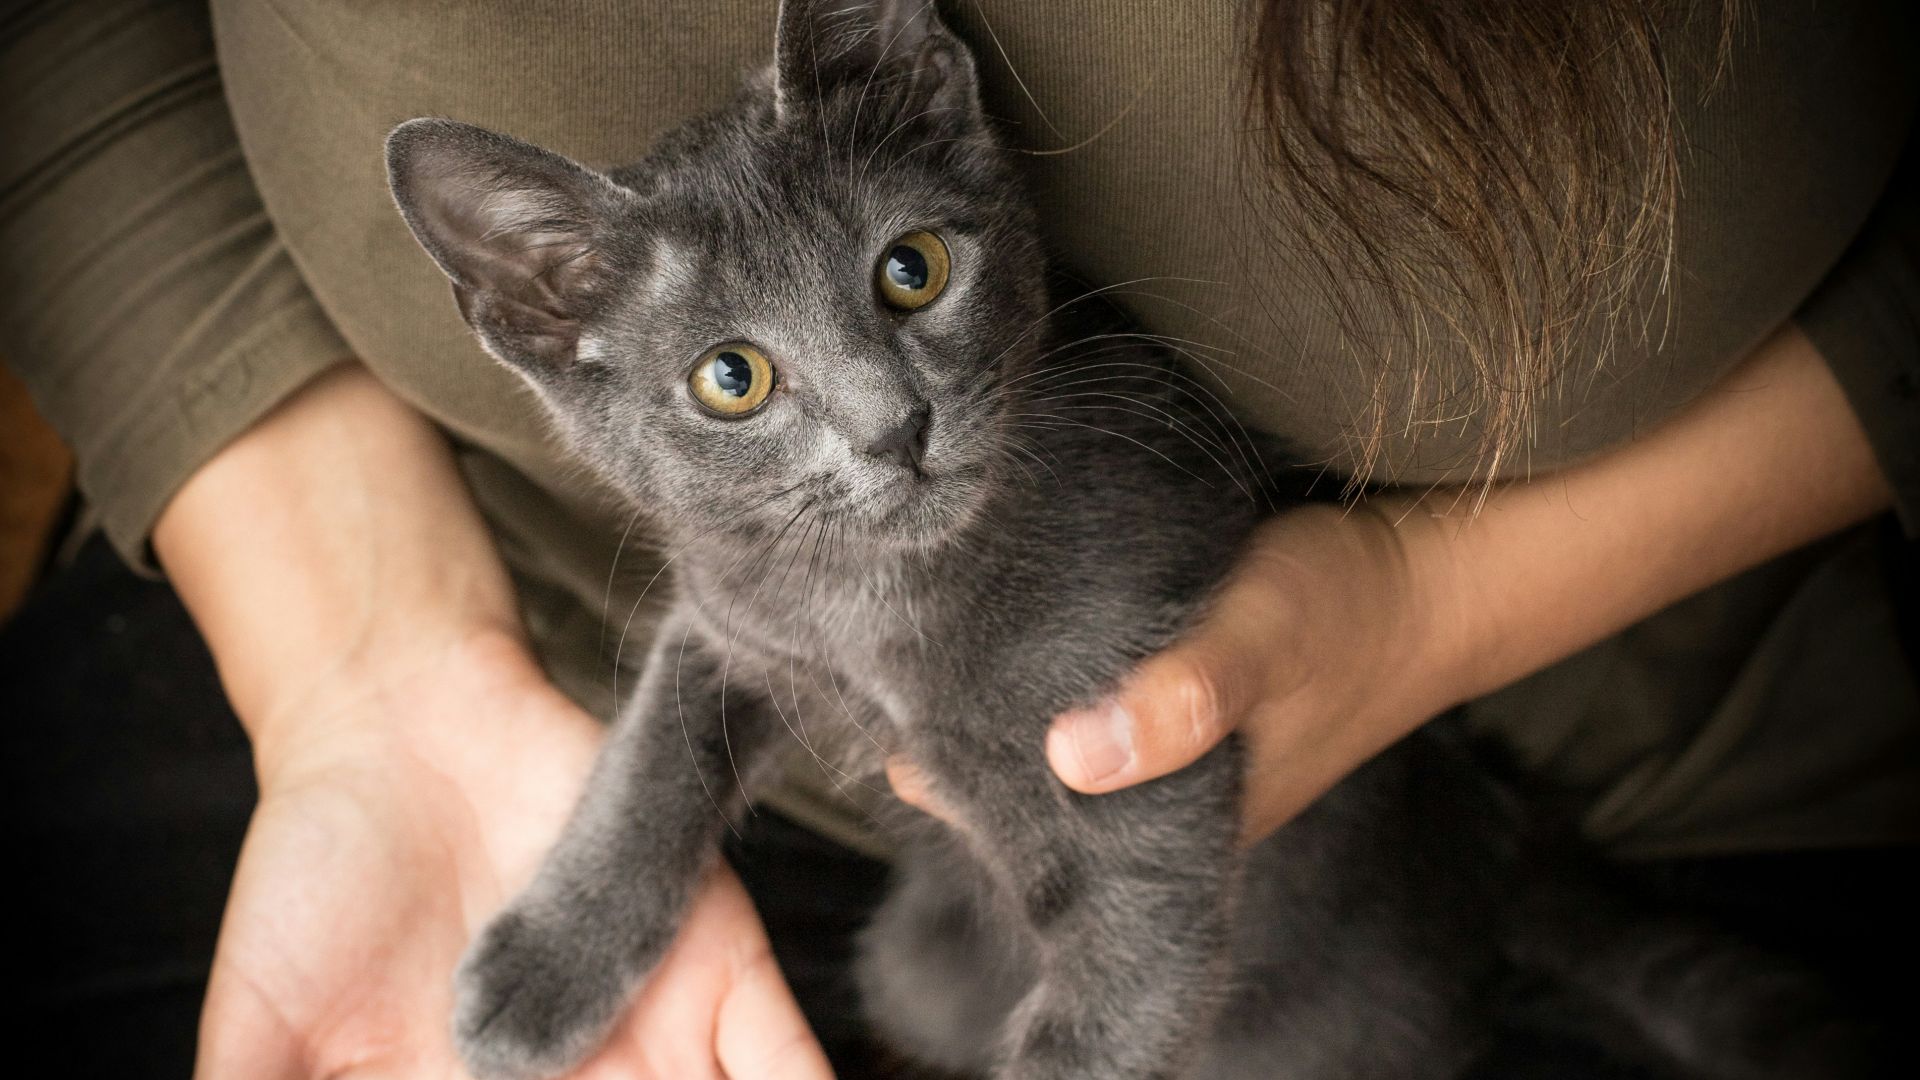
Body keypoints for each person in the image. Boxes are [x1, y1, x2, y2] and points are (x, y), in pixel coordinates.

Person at [2, 1, 1914, 1077]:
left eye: (907, 276)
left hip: (1445, 865)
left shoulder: (1063, 504)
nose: (886, 413)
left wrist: (1430, 603)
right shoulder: (720, 483)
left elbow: (1137, 902)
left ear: (934, 105)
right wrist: (364, 677)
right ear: (553, 334)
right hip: (453, 648)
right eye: (744, 381)